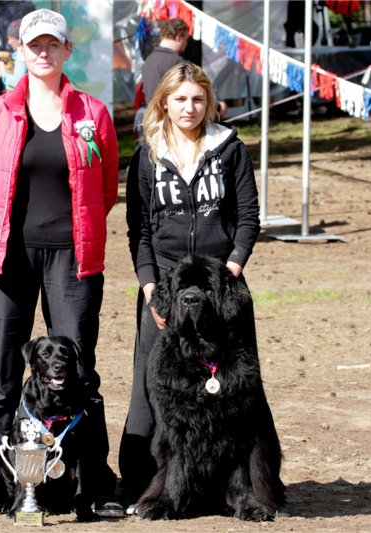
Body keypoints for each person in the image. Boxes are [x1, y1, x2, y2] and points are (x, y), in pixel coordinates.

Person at [0, 8, 123, 518]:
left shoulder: (93, 114)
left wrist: (78, 232)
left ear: (67, 50)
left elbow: (106, 186)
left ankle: (94, 483)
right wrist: (0, 235)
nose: (44, 52)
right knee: (0, 372)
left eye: (53, 44)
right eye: (35, 45)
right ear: (20, 50)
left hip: (73, 258)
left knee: (79, 371)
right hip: (8, 257)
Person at [119, 62, 261, 513]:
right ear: (164, 102)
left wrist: (229, 274)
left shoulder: (230, 148)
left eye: (198, 99)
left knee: (238, 393)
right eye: (180, 99)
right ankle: (143, 484)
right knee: (152, 388)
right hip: (165, 287)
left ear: (209, 102)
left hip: (223, 287)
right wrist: (150, 289)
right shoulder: (147, 155)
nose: (189, 108)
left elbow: (248, 218)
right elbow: (139, 230)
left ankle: (243, 489)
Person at [140, 18, 189, 105]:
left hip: (151, 111)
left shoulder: (149, 59)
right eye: (185, 40)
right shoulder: (175, 61)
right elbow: (187, 92)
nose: (186, 44)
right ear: (178, 37)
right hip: (167, 111)